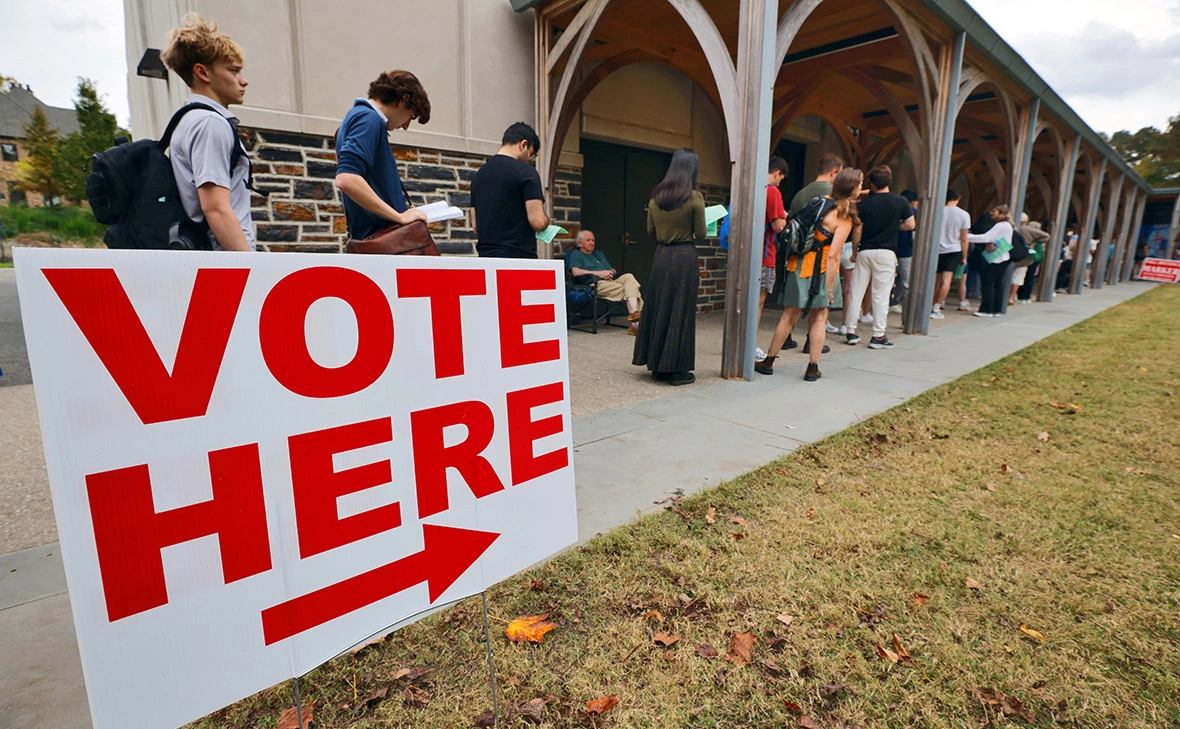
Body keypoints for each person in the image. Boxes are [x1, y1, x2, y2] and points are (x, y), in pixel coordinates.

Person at [756, 168, 862, 381]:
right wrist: (830, 287)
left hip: (798, 264)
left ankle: (769, 361)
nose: (861, 187)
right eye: (859, 184)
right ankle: (812, 368)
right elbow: (833, 255)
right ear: (851, 187)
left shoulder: (818, 201)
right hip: (821, 269)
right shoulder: (844, 215)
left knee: (788, 315)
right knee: (819, 318)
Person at [160, 13, 255, 251]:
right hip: (227, 263)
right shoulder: (209, 124)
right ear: (203, 73)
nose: (243, 81)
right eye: (234, 71)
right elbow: (215, 208)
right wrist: (252, 269)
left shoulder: (190, 119)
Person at [632, 149, 706, 386]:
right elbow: (702, 233)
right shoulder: (695, 198)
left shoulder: (656, 197)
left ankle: (656, 366)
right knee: (680, 310)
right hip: (684, 256)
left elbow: (651, 231)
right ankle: (676, 370)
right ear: (692, 170)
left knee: (659, 307)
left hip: (661, 256)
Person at [335, 71, 431, 240]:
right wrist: (400, 217)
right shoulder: (368, 120)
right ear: (403, 100)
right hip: (382, 240)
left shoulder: (359, 117)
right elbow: (346, 178)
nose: (406, 126)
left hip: (375, 239)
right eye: (411, 116)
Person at [843, 166, 914, 349]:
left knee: (856, 291)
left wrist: (855, 251)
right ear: (890, 181)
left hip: (865, 251)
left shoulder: (864, 204)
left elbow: (857, 230)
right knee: (881, 295)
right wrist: (894, 227)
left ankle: (850, 331)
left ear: (872, 184)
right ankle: (878, 336)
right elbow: (910, 224)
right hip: (887, 253)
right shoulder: (901, 201)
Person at [472, 122, 549, 258]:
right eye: (529, 155)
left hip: (486, 258)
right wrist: (546, 221)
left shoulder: (479, 175)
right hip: (518, 259)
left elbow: (476, 226)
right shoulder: (526, 172)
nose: (526, 161)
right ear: (523, 144)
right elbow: (537, 222)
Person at [790, 154, 847, 336]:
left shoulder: (801, 193)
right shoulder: (834, 196)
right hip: (820, 257)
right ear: (834, 172)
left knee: (792, 308)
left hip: (797, 255)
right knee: (819, 311)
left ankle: (786, 338)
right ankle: (811, 342)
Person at [566, 229, 643, 334]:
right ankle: (636, 323)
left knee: (629, 277)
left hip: (610, 281)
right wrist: (599, 273)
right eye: (588, 240)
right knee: (631, 289)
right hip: (595, 284)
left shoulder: (598, 254)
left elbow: (611, 269)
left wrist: (610, 272)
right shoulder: (576, 254)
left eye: (593, 240)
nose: (591, 243)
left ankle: (634, 314)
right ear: (580, 243)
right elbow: (575, 272)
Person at [754, 157, 790, 361]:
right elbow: (778, 226)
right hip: (764, 255)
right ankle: (749, 344)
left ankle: (737, 341)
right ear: (777, 173)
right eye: (781, 178)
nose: (780, 182)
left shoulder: (751, 187)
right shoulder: (772, 191)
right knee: (758, 303)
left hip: (745, 253)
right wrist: (784, 216)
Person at [967, 204, 1015, 317]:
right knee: (998, 284)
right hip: (1003, 256)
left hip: (995, 258)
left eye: (994, 211)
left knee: (988, 283)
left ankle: (986, 309)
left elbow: (986, 237)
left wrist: (966, 237)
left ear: (1001, 213)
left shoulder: (1000, 225)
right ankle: (996, 309)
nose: (991, 213)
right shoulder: (1008, 225)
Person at [931, 188, 970, 319]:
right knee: (946, 280)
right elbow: (964, 238)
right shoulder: (964, 215)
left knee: (935, 281)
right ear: (959, 198)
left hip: (937, 249)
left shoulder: (938, 211)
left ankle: (930, 305)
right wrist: (964, 257)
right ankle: (937, 307)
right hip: (953, 249)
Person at [890, 189, 919, 314]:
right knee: (906, 282)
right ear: (912, 202)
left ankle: (888, 303)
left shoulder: (893, 210)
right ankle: (907, 315)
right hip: (906, 249)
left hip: (890, 248)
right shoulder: (914, 213)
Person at [1013, 213, 1049, 304]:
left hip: (1020, 255)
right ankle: (1018, 296)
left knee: (1021, 276)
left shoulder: (1021, 229)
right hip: (1029, 256)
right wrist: (1035, 242)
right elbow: (1046, 236)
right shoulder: (1026, 230)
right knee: (1024, 277)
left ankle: (1017, 296)